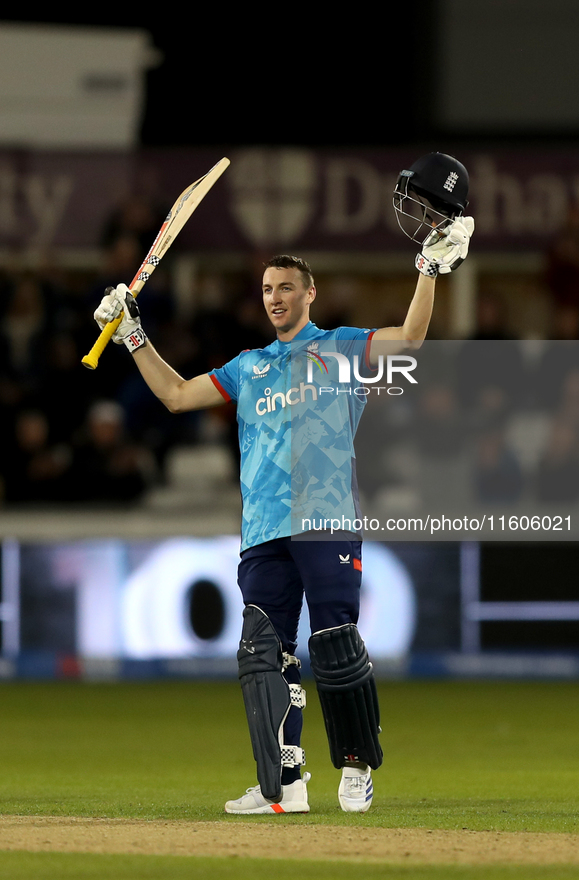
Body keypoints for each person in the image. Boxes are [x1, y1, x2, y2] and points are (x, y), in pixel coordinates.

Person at [93, 152, 474, 815]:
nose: (274, 297)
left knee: (334, 646)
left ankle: (355, 768)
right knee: (267, 657)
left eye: (286, 288)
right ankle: (285, 785)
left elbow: (410, 337)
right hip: (262, 528)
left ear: (309, 295)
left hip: (325, 518)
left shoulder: (344, 348)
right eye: (267, 289)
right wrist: (132, 336)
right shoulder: (248, 367)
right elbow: (178, 397)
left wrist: (429, 268)